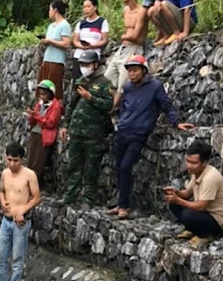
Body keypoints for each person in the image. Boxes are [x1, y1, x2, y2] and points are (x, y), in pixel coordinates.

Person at [108, 54, 193, 220]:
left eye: (135, 71)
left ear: (143, 71)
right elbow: (125, 106)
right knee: (118, 168)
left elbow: (166, 105)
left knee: (126, 167)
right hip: (124, 130)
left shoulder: (154, 86)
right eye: (129, 71)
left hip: (139, 133)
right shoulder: (128, 87)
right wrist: (122, 122)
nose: (131, 74)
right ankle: (120, 203)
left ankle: (124, 207)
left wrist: (176, 123)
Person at [59, 50, 113, 206]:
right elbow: (71, 105)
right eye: (82, 64)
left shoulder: (104, 84)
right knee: (73, 165)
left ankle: (89, 198)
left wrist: (91, 97)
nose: (84, 67)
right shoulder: (79, 81)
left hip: (94, 133)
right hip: (77, 130)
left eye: (87, 64)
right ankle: (70, 196)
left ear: (95, 65)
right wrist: (65, 125)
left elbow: (108, 105)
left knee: (91, 167)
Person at [0, 143, 41, 281]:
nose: (12, 164)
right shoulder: (5, 174)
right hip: (6, 219)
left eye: (16, 160)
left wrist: (23, 210)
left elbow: (36, 198)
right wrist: (2, 201)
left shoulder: (29, 175)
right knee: (0, 255)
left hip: (20, 222)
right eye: (9, 160)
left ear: (21, 160)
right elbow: (2, 191)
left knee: (17, 257)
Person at [163, 141, 223, 247]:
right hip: (203, 214)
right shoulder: (196, 172)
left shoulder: (210, 177)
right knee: (173, 204)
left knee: (187, 214)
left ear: (204, 163)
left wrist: (179, 200)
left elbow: (202, 206)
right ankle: (193, 230)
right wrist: (176, 192)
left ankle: (206, 235)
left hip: (216, 220)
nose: (189, 166)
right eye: (187, 161)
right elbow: (187, 194)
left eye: (193, 163)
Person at [104, 0, 148, 109]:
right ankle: (113, 104)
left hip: (134, 48)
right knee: (107, 77)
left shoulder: (141, 11)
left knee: (123, 83)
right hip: (122, 48)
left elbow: (135, 35)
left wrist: (124, 36)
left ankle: (112, 109)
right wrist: (125, 37)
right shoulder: (125, 10)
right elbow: (127, 31)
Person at [26, 80, 63, 178]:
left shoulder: (55, 107)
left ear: (50, 94)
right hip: (35, 133)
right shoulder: (39, 104)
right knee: (31, 160)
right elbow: (33, 122)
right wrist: (31, 115)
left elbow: (50, 123)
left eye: (44, 94)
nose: (42, 97)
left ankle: (36, 184)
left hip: (45, 136)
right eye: (40, 94)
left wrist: (36, 115)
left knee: (39, 162)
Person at [38, 1, 72, 101]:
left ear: (55, 10)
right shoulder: (51, 26)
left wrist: (51, 41)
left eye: (50, 9)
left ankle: (56, 110)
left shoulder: (65, 25)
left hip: (57, 60)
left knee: (54, 87)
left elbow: (66, 43)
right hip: (47, 58)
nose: (49, 12)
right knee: (43, 86)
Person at [70, 0, 109, 80]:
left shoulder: (102, 22)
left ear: (95, 7)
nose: (86, 9)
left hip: (92, 56)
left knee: (91, 82)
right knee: (77, 81)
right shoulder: (81, 23)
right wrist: (81, 46)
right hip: (79, 55)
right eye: (84, 7)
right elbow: (75, 40)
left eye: (88, 6)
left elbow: (104, 40)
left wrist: (92, 45)